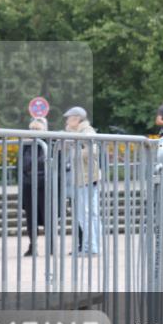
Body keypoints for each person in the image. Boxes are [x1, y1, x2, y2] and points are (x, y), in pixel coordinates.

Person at [64, 107, 101, 255]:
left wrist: (76, 153)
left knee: (85, 214)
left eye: (69, 117)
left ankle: (90, 247)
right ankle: (91, 246)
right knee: (87, 214)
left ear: (77, 118)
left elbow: (93, 150)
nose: (66, 120)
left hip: (86, 178)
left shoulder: (86, 131)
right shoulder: (78, 132)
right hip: (83, 178)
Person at [21, 117, 48, 257]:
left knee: (47, 215)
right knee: (30, 217)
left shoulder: (47, 143)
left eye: (37, 129)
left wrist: (31, 166)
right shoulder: (25, 144)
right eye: (32, 129)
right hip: (28, 184)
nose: (34, 132)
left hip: (44, 184)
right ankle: (33, 245)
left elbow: (43, 162)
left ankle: (50, 245)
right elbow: (22, 164)